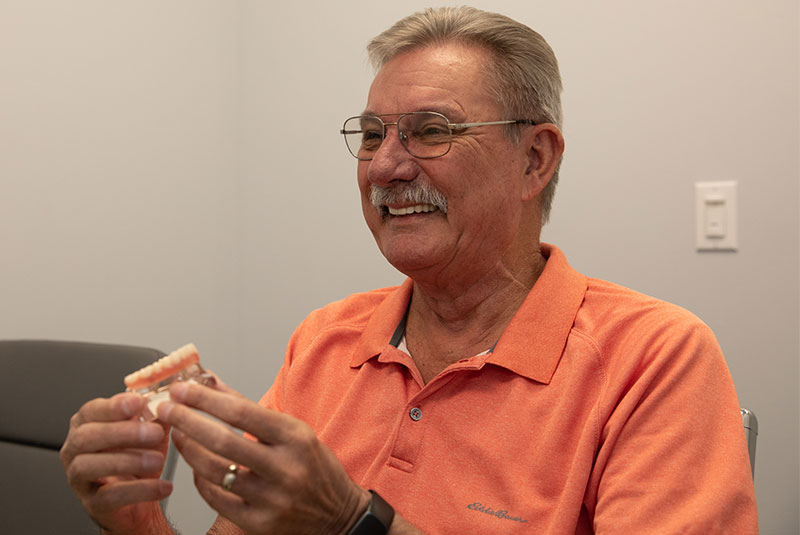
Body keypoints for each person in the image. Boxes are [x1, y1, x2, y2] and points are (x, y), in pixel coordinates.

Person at [60, 7, 758, 534]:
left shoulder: (656, 356)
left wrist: (353, 522)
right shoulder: (326, 337)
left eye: (431, 130)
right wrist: (138, 519)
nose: (386, 167)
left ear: (535, 159)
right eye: (370, 135)